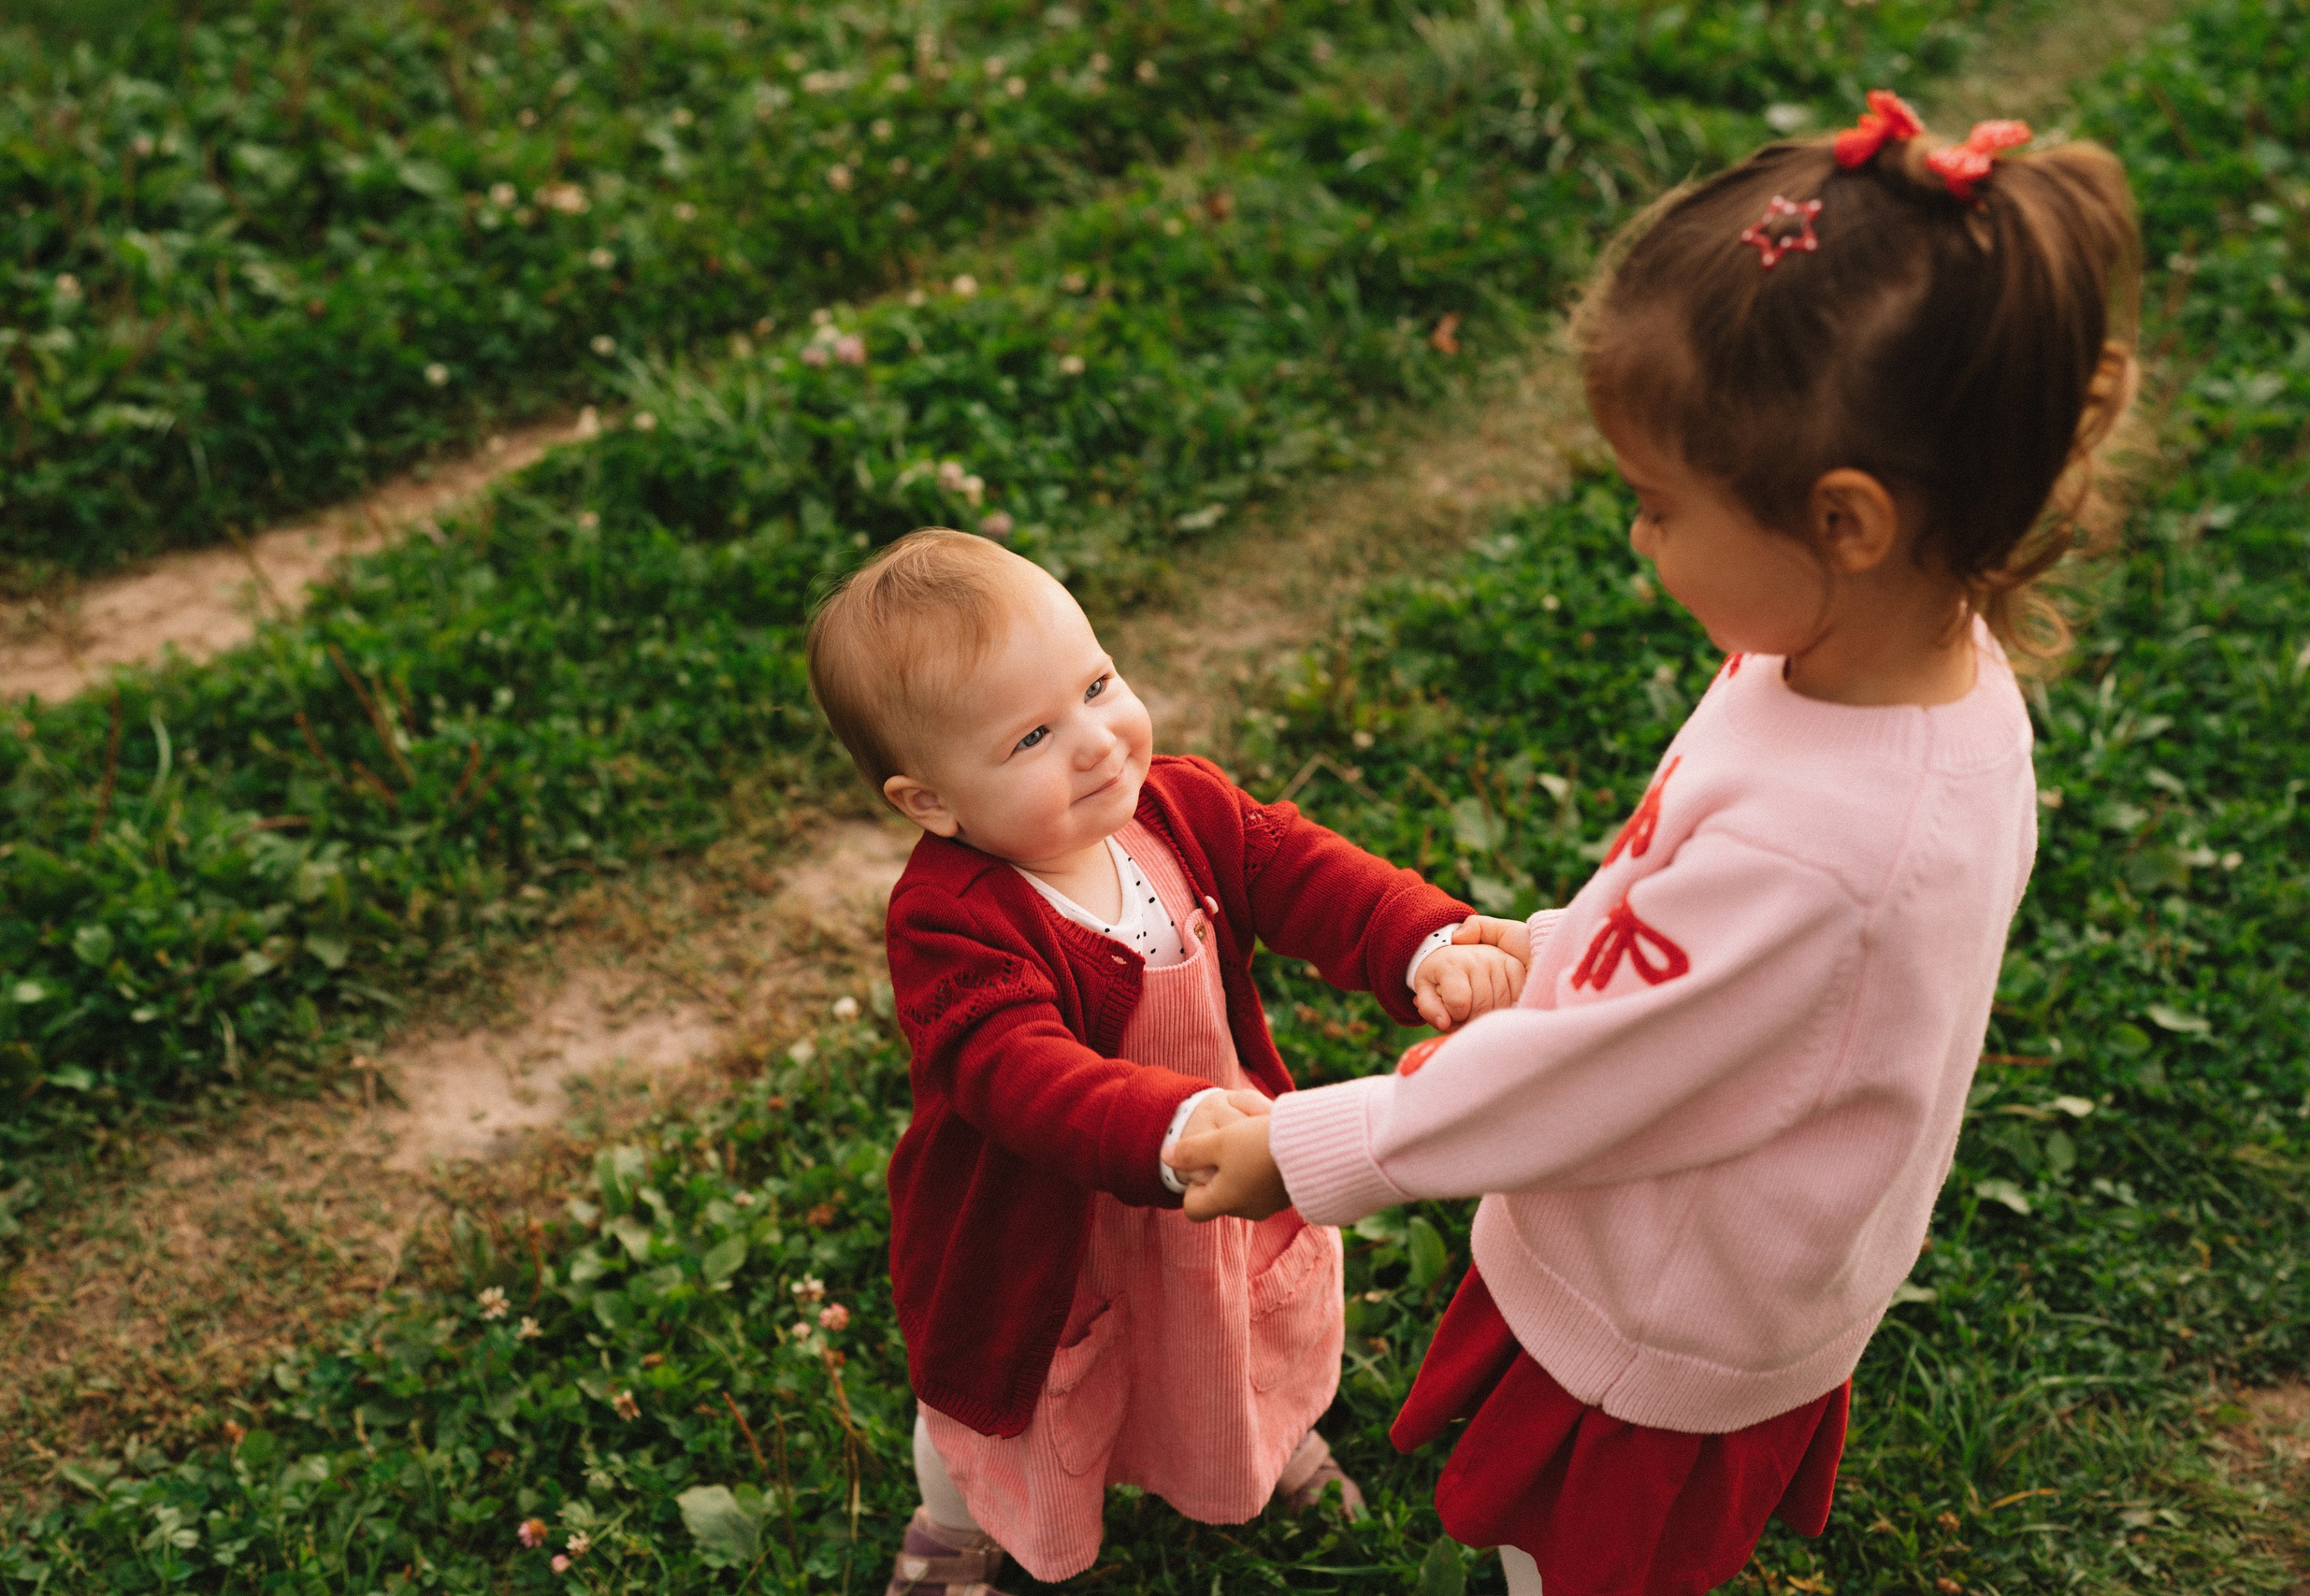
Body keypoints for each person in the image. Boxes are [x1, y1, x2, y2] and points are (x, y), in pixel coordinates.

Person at [1172, 91, 2141, 1596]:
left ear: (1846, 520)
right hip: (1690, 1224)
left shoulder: (1837, 849)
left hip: (1672, 1293)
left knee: (1571, 1557)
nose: (1639, 542)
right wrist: (1554, 943)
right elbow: (1686, 913)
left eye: (1656, 505)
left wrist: (1310, 1151)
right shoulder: (1874, 656)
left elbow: (1602, 1072)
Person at [804, 528, 1534, 1594]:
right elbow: (1014, 1067)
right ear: (931, 803)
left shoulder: (1174, 808)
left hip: (1211, 1179)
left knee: (1237, 1335)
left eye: (1098, 684)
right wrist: (1172, 1125)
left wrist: (1423, 940)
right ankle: (955, 1526)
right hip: (1041, 1232)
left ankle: (1265, 1440)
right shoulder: (948, 921)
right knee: (1007, 1401)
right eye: (1031, 738)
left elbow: (1297, 870)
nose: (1099, 743)